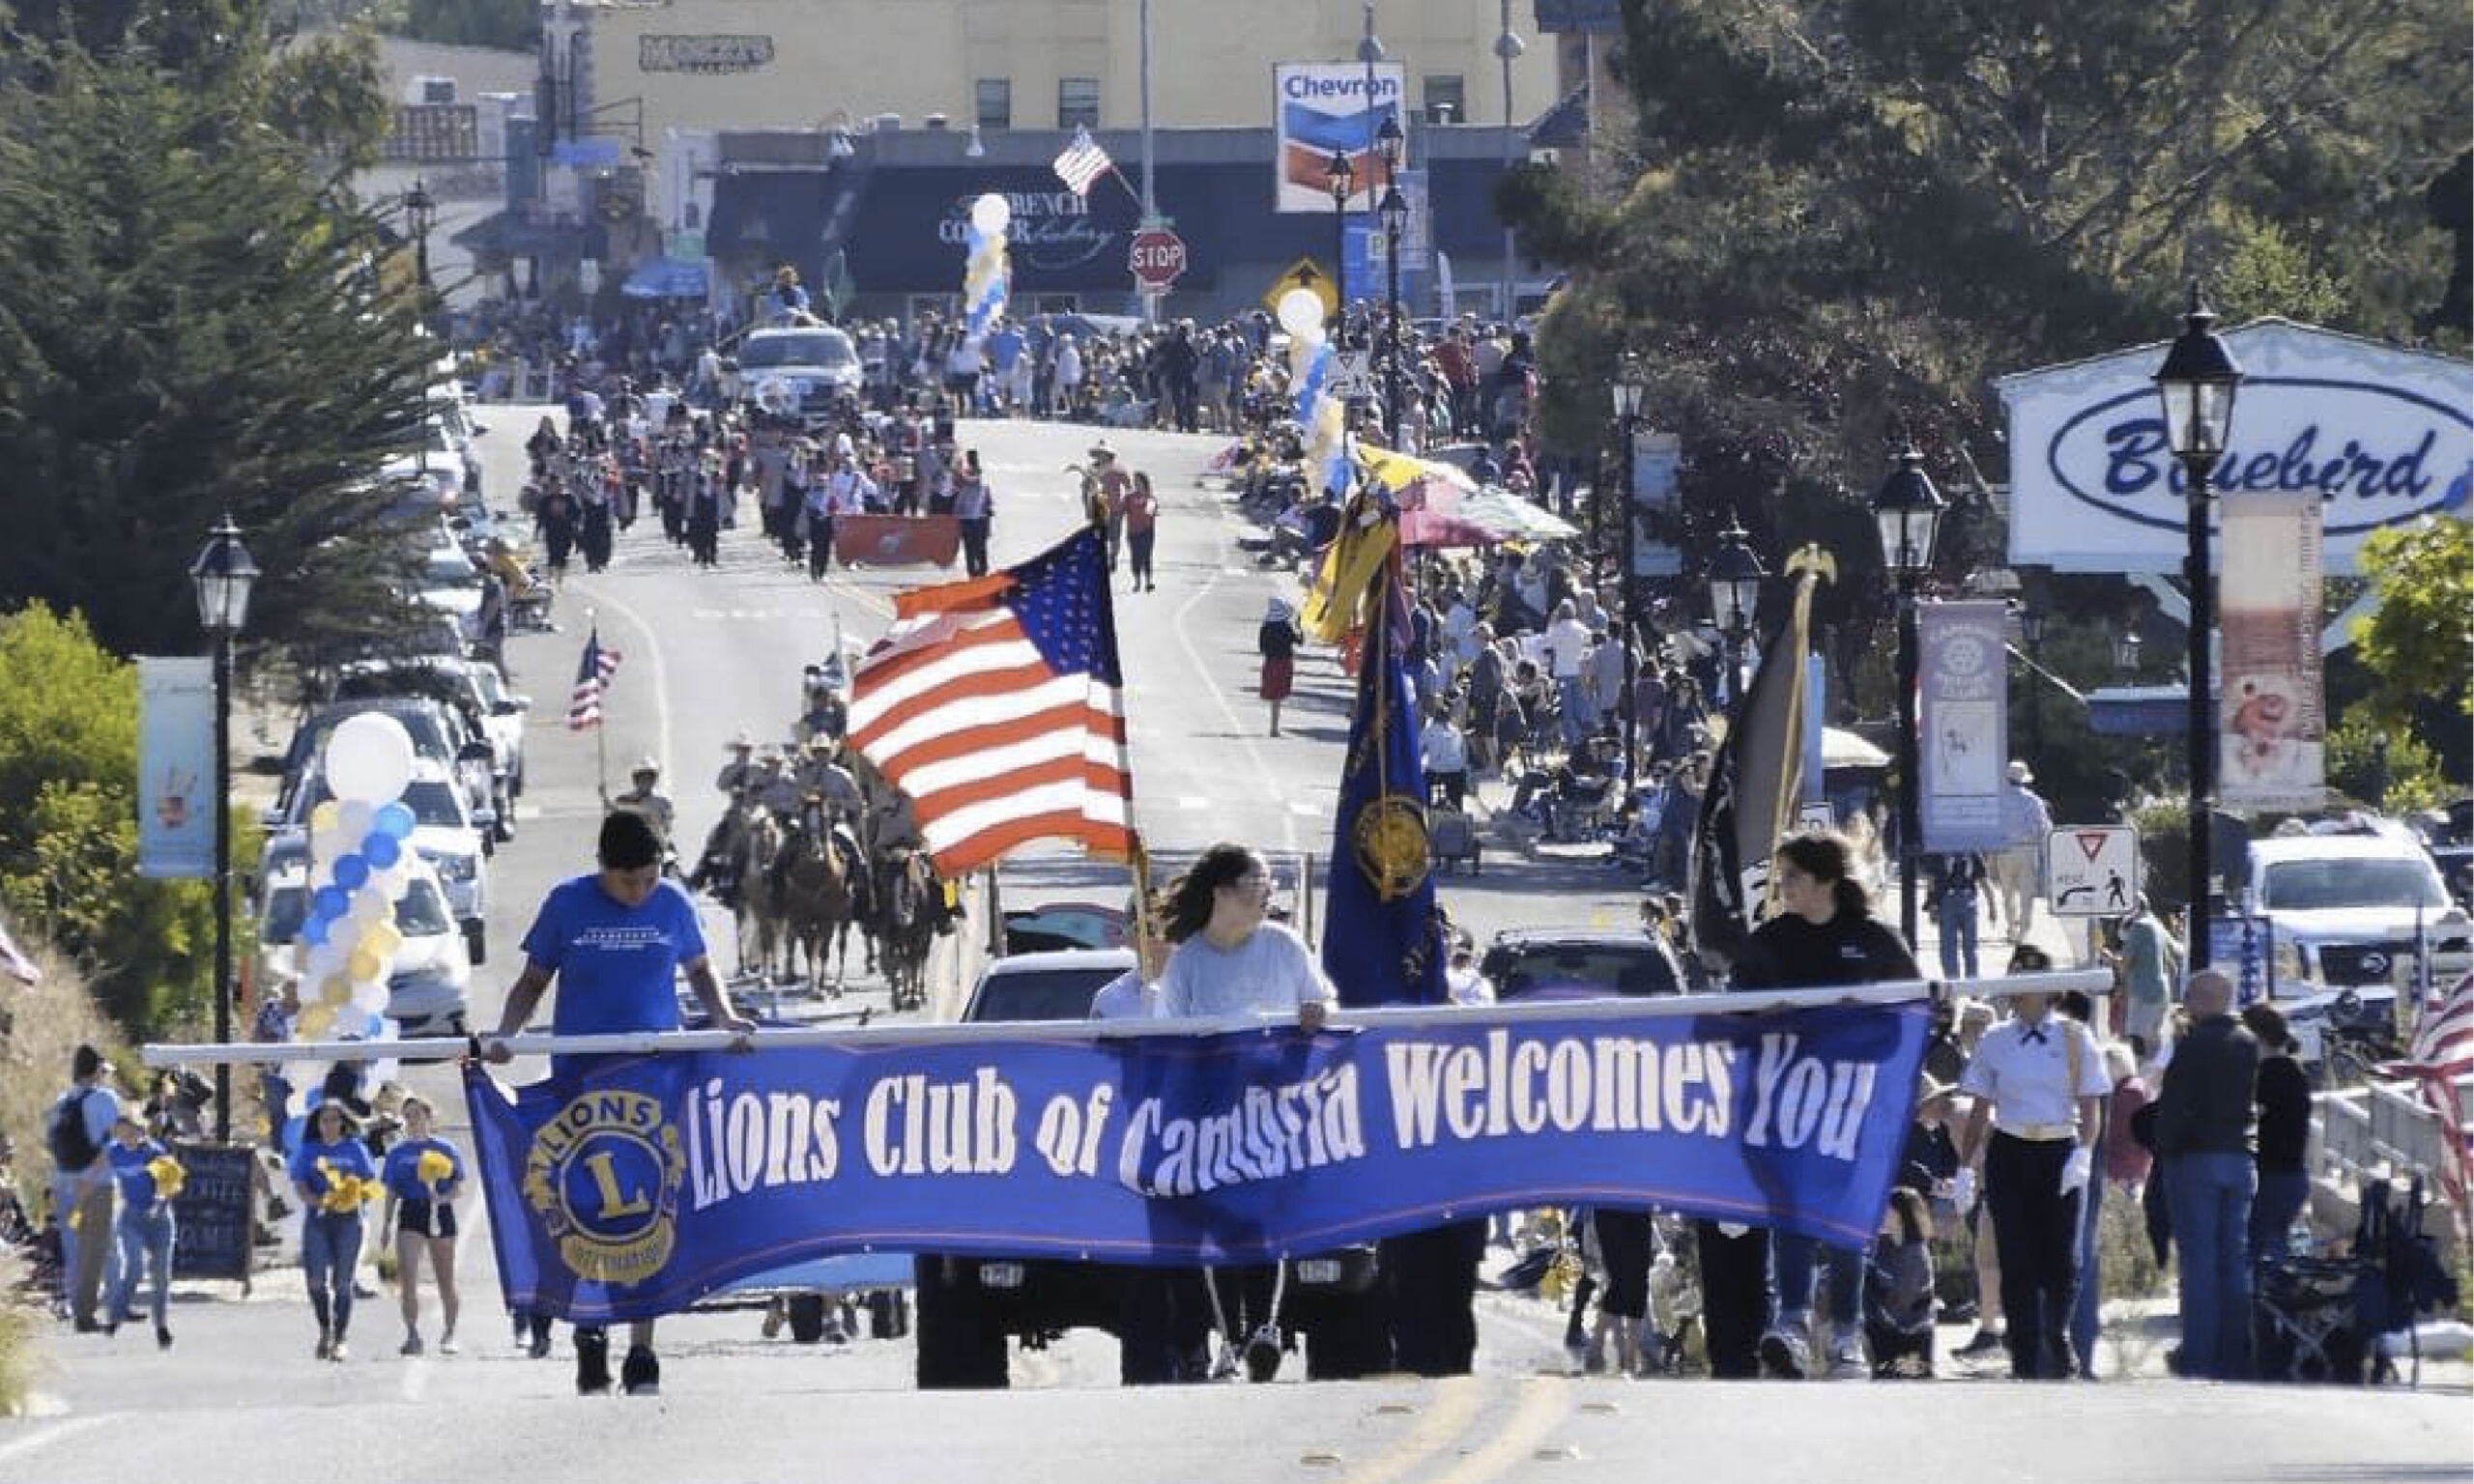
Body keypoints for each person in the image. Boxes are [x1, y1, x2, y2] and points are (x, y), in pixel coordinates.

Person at [484, 810, 757, 1396]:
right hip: (583, 1078)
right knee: (586, 1207)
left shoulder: (675, 905)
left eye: (649, 878)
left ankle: (642, 1350)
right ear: (603, 869)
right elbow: (532, 982)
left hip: (653, 1079)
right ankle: (589, 1330)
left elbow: (703, 973)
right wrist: (506, 1034)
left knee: (649, 1209)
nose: (639, 891)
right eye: (627, 881)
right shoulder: (567, 904)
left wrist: (724, 1019)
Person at [1724, 831, 1920, 1381]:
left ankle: (1846, 1335)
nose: (1782, 888)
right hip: (1785, 1097)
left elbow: (1915, 1008)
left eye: (1793, 877)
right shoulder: (1769, 941)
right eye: (1779, 877)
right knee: (1794, 1208)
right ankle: (1790, 1321)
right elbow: (1733, 1009)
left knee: (1845, 1213)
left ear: (1826, 881)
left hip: (1853, 1098)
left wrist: (1865, 1017)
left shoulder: (1874, 939)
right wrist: (1767, 1013)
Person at [1151, 844, 1333, 1380]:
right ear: (1223, 892)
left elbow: (1325, 1004)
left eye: (1270, 879)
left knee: (1265, 1223)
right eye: (1257, 879)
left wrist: (1318, 1012)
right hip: (1212, 1118)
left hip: (1275, 1112)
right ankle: (1230, 1342)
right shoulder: (1188, 963)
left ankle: (1265, 1330)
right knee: (1223, 1229)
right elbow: (1168, 1038)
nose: (1267, 889)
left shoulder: (1284, 945)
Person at [1952, 951, 2111, 1380]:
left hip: (2059, 1149)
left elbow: (2091, 1105)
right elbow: (1981, 1107)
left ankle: (2056, 1338)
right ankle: (2022, 1350)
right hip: (2011, 1149)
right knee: (2016, 1255)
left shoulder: (2076, 1037)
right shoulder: (1995, 1040)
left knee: (2060, 1258)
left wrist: (2084, 1151)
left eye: (2030, 978)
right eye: (2016, 977)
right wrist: (1965, 1167)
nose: (2021, 987)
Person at [2152, 968, 2258, 1379]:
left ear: (2203, 999)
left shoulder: (2194, 1046)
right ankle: (2234, 1355)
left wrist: (2165, 1149)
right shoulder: (2247, 1042)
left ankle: (2199, 1354)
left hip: (2196, 1158)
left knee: (2198, 1263)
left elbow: (2174, 1106)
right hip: (2239, 1155)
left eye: (2192, 997)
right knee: (2233, 1259)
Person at [290, 1099, 377, 1361]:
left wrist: (354, 1197)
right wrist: (319, 1200)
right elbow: (300, 1184)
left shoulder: (355, 1148)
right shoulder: (309, 1150)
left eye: (334, 1120)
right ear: (317, 1124)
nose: (329, 1125)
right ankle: (324, 1328)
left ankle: (340, 1337)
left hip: (349, 1220)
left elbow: (370, 1182)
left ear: (343, 1123)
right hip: (318, 1218)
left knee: (342, 1282)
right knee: (316, 1281)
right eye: (324, 1120)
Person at [380, 1096, 465, 1356]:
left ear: (428, 1117)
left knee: (445, 1278)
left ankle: (450, 1332)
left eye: (417, 1114)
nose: (412, 1120)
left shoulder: (446, 1149)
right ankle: (412, 1333)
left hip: (440, 1211)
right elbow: (392, 1191)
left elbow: (457, 1187)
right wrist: (386, 1223)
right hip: (411, 1212)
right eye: (408, 1116)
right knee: (408, 1278)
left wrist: (442, 1197)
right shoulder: (397, 1153)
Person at [47, 1042, 121, 1331]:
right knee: (96, 1249)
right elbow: (112, 1142)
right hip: (96, 1183)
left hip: (64, 1181)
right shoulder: (105, 1099)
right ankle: (85, 1313)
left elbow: (51, 1142)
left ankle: (74, 1302)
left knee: (73, 1246)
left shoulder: (62, 1100)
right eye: (103, 1070)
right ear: (95, 1071)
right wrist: (91, 1177)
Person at [2243, 1002, 2311, 1266]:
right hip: (2293, 1176)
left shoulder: (2271, 1074)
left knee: (2258, 1255)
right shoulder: (2294, 1071)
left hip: (2275, 1176)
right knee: (2274, 1252)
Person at [101, 1114, 178, 1349]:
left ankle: (161, 1328)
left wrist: (158, 1202)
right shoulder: (114, 1152)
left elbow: (170, 1183)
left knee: (161, 1277)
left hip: (159, 1219)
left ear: (141, 1132)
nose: (127, 1138)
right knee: (134, 1268)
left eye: (131, 1133)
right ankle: (115, 1317)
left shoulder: (153, 1152)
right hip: (132, 1218)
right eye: (122, 1133)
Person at [1864, 1187, 1937, 1378]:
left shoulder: (1916, 1253)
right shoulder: (1879, 1245)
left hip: (1912, 1335)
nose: (1879, 1213)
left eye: (1885, 1209)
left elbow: (1903, 1301)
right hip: (1884, 1328)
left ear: (1901, 1214)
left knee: (1903, 1374)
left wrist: (1878, 1316)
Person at [2108, 894, 2180, 1056]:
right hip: (2161, 992)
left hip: (2143, 993)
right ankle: (2157, 1072)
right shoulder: (2157, 925)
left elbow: (2126, 963)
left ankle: (2146, 1076)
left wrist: (2112, 959)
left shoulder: (2139, 927)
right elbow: (2172, 967)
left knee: (2140, 1041)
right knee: (2154, 1038)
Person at [1928, 852, 1991, 980]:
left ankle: (1966, 981)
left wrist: (1992, 904)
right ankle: (1961, 982)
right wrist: (1932, 904)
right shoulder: (1971, 852)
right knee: (1959, 945)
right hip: (1957, 900)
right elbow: (1932, 880)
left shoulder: (1942, 852)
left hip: (1955, 900)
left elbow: (1931, 881)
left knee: (1954, 945)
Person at [609, 756, 676, 856]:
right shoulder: (623, 800)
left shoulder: (663, 802)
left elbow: (667, 828)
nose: (646, 780)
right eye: (642, 777)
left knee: (671, 862)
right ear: (636, 779)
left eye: (649, 777)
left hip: (656, 847)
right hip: (629, 847)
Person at [1257, 598, 1300, 738]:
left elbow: (1262, 648)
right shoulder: (1286, 627)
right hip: (1284, 663)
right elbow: (1299, 641)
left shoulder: (1265, 627)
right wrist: (1299, 628)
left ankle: (1273, 727)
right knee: (1278, 697)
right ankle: (1274, 727)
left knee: (1273, 697)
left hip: (1270, 662)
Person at [951, 449, 994, 579]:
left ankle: (982, 569)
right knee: (970, 548)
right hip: (968, 521)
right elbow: (957, 508)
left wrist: (988, 515)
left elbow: (988, 504)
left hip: (980, 521)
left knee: (980, 546)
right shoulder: (964, 490)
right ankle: (972, 572)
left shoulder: (984, 489)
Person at [1122, 471, 1159, 591]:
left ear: (1144, 482)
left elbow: (1149, 514)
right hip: (1133, 531)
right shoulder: (1129, 497)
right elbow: (1121, 510)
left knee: (1146, 556)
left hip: (1147, 531)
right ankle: (1137, 582)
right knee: (1135, 557)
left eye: (1138, 481)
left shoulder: (1151, 498)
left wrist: (1144, 513)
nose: (1136, 483)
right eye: (1134, 481)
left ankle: (1148, 582)